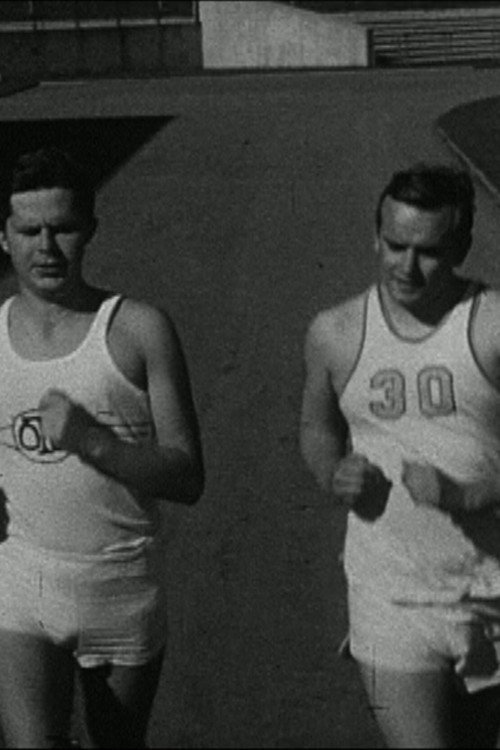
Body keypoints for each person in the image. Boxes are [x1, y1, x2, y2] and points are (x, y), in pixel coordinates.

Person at [0, 146, 204, 748]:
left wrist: (91, 441)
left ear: (89, 230)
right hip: (22, 581)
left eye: (62, 228)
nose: (46, 247)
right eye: (29, 231)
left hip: (121, 585)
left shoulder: (138, 330)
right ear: (3, 238)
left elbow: (187, 476)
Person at [300, 162, 500, 748]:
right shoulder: (335, 332)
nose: (406, 267)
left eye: (429, 251)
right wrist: (332, 471)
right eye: (395, 246)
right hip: (391, 593)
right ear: (376, 237)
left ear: (461, 247)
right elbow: (316, 426)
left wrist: (471, 494)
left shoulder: (490, 325)